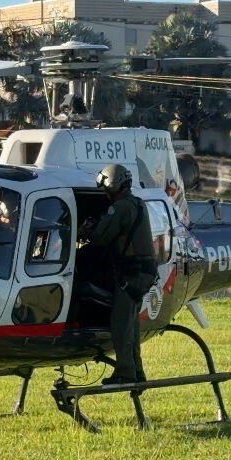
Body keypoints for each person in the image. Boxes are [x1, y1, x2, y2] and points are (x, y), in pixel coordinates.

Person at [82, 163, 157, 385]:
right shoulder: (136, 203)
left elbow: (100, 238)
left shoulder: (120, 208)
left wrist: (87, 229)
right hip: (142, 273)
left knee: (120, 325)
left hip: (132, 275)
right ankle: (136, 371)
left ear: (112, 184)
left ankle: (125, 373)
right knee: (131, 325)